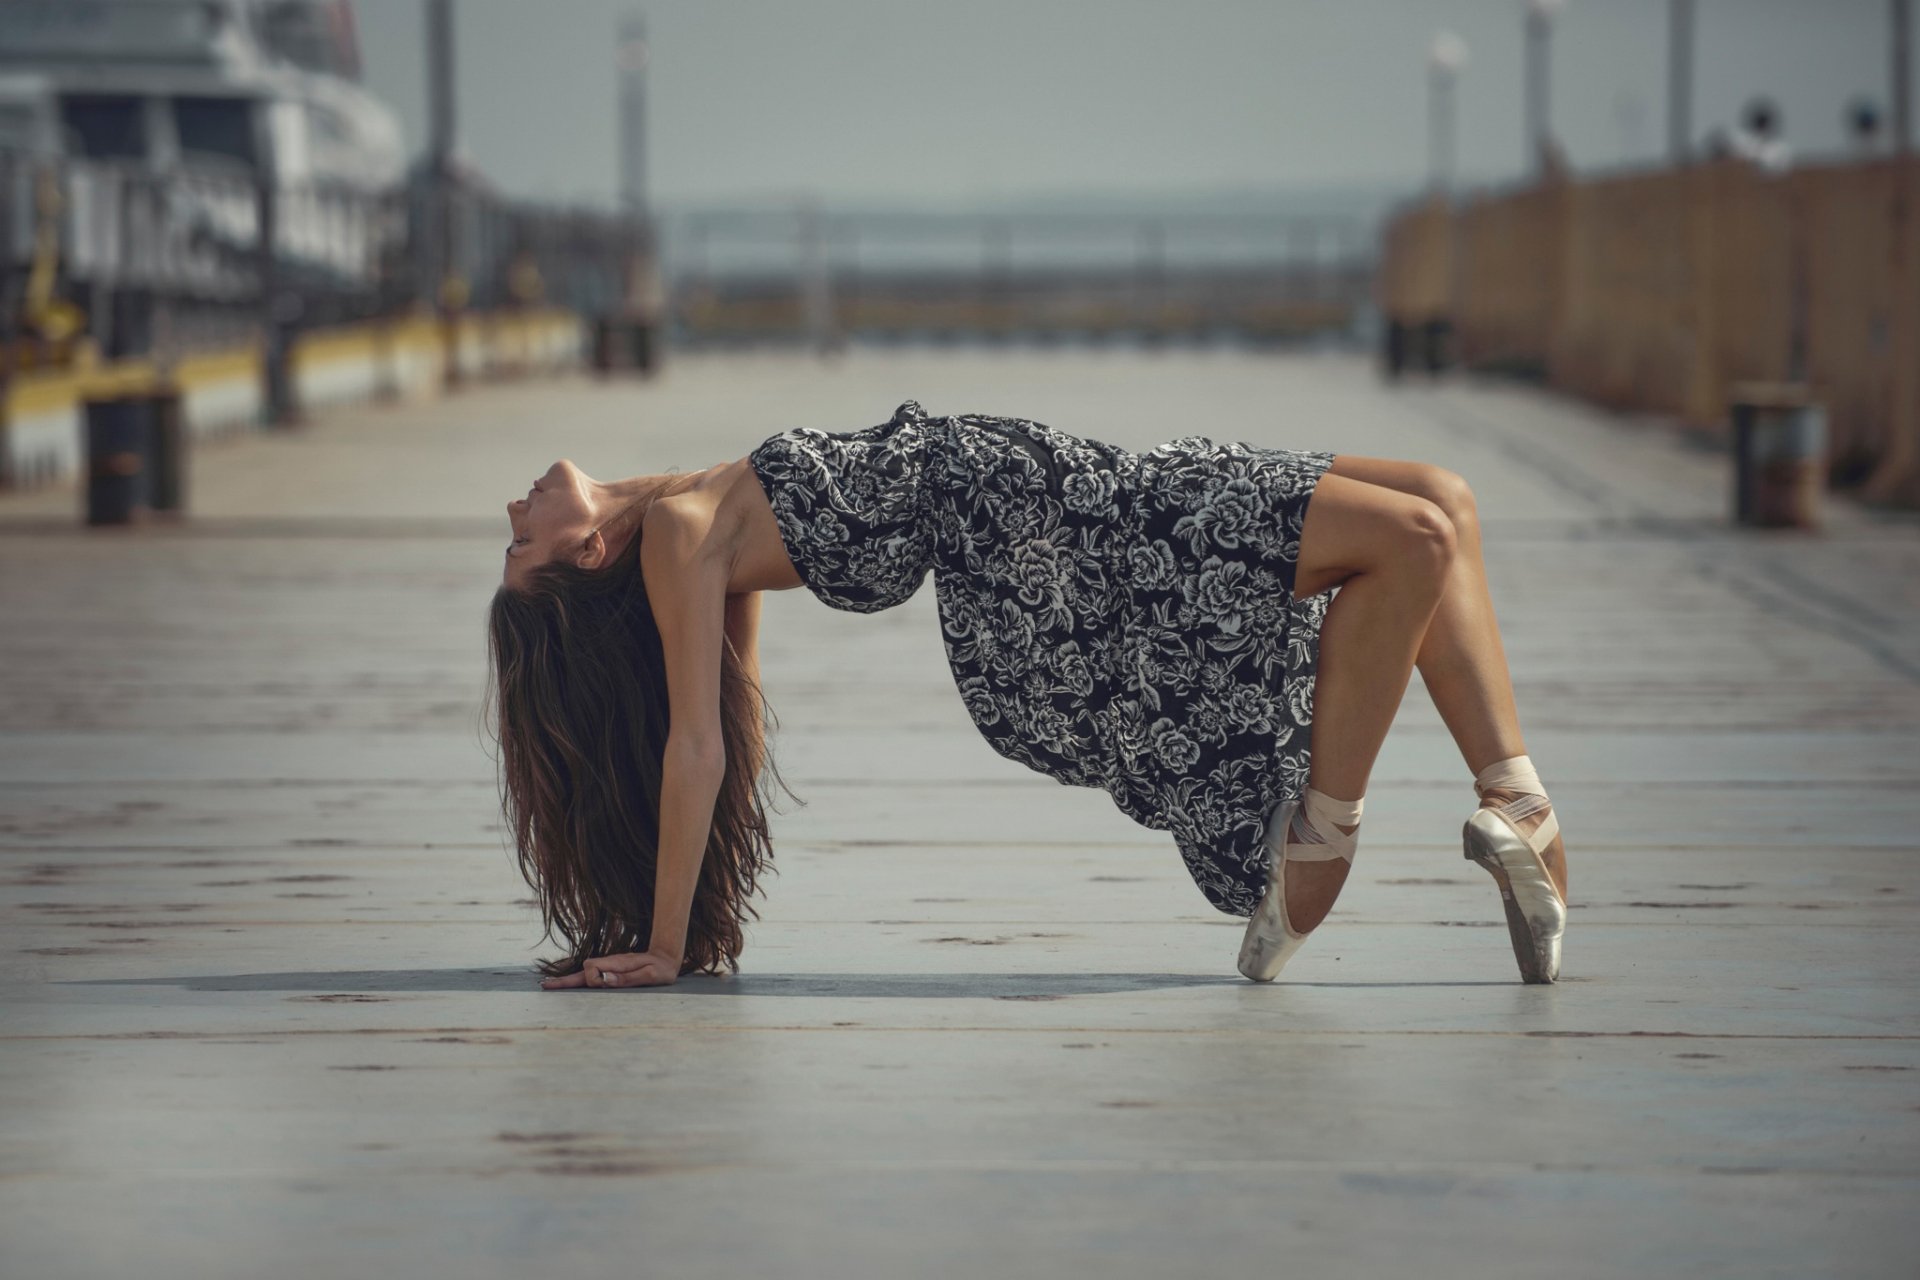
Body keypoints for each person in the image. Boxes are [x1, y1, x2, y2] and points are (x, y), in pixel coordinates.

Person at [487, 401, 1569, 991]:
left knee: (1443, 497)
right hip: (1056, 546)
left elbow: (731, 717)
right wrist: (671, 943)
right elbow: (696, 751)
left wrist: (700, 897)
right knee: (1413, 535)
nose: (512, 503)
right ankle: (1321, 834)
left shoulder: (682, 517)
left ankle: (1515, 801)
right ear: (582, 557)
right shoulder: (681, 536)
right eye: (518, 539)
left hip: (1055, 498)